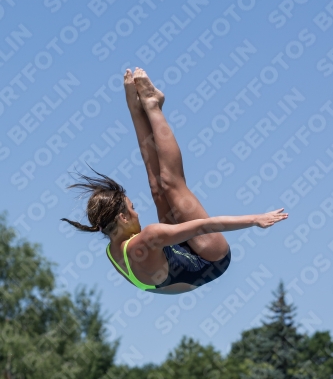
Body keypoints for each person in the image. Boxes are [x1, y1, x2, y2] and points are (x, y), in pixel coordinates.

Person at [62, 68, 288, 295]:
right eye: (132, 209)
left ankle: (136, 110)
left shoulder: (112, 252)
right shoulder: (148, 237)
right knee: (171, 184)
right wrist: (256, 219)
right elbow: (204, 226)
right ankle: (152, 105)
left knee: (156, 187)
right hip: (210, 261)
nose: (137, 213)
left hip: (175, 256)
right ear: (122, 217)